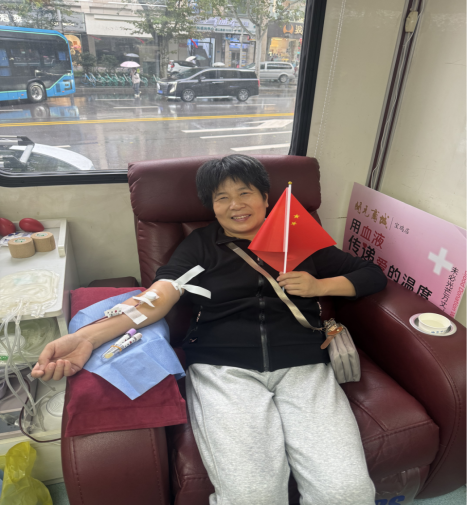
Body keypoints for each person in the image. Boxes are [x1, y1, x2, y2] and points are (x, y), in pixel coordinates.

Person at [32, 155, 387, 505]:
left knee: (348, 494)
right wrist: (85, 337)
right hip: (224, 369)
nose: (235, 205)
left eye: (245, 193)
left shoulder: (296, 238)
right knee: (253, 497)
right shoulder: (200, 245)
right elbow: (159, 296)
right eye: (222, 197)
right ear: (212, 206)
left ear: (266, 198)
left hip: (304, 365)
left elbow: (371, 275)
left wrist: (318, 286)